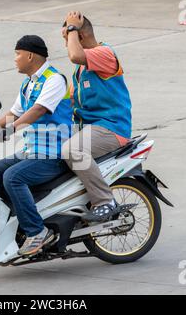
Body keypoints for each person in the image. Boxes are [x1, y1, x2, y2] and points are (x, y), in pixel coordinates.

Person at [0, 35, 72, 256]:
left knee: (13, 177)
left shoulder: (54, 80)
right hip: (31, 151)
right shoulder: (28, 83)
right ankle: (21, 219)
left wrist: (10, 129)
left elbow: (37, 110)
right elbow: (14, 112)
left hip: (53, 153)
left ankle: (37, 231)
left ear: (30, 55)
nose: (15, 59)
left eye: (18, 54)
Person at [61, 11, 132, 222]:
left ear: (80, 36)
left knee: (72, 149)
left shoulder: (104, 54)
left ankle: (104, 201)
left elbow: (75, 54)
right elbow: (70, 100)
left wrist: (72, 27)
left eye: (68, 40)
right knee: (46, 140)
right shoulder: (81, 68)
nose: (67, 46)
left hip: (111, 128)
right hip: (88, 126)